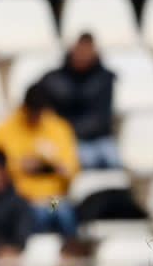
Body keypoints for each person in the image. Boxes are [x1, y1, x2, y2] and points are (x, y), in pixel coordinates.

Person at [0, 83, 81, 233]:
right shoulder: (5, 129)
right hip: (23, 198)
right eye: (32, 112)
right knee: (34, 216)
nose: (36, 117)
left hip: (53, 197)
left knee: (63, 213)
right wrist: (21, 166)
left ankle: (71, 253)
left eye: (39, 112)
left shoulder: (58, 127)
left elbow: (71, 168)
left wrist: (54, 164)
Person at [42, 32, 118, 169]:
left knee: (113, 159)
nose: (83, 55)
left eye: (87, 51)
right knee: (82, 158)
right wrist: (64, 132)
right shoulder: (53, 79)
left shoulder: (104, 79)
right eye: (80, 50)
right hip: (66, 138)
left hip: (98, 138)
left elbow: (101, 118)